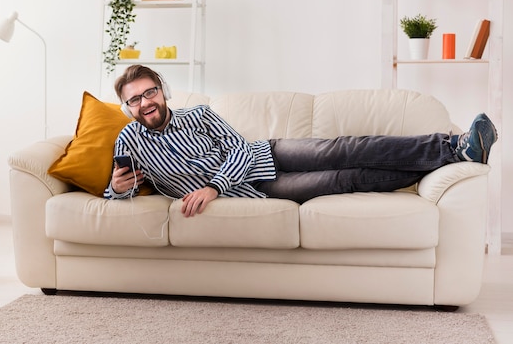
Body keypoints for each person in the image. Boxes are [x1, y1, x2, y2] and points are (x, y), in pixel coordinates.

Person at [105, 65, 498, 218]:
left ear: (163, 91)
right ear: (126, 107)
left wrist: (211, 186)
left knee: (346, 149)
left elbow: (241, 148)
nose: (145, 103)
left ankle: (452, 147)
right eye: (134, 99)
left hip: (264, 156)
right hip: (257, 192)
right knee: (346, 178)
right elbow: (116, 195)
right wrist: (117, 188)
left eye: (150, 92)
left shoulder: (199, 115)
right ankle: (443, 159)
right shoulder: (130, 139)